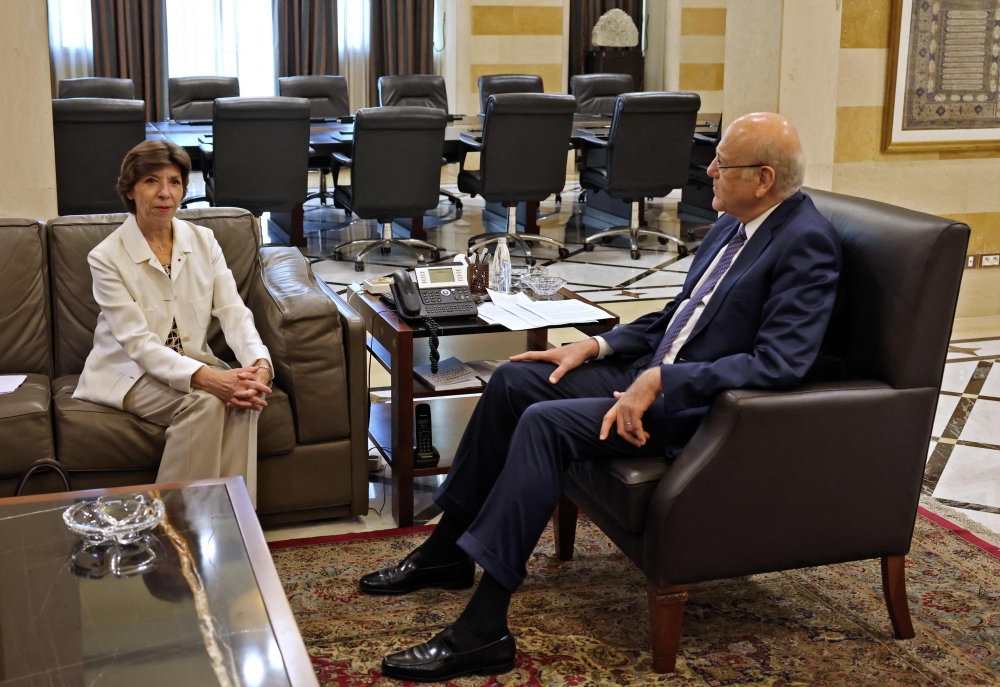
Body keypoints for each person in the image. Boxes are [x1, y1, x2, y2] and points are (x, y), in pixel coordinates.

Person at [361, 112, 843, 682]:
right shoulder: (732, 225)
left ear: (763, 178)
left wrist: (661, 381)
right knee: (515, 380)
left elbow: (780, 363)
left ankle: (484, 628)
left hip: (699, 410)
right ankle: (448, 551)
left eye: (722, 163)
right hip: (649, 375)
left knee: (544, 424)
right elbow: (677, 317)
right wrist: (592, 347)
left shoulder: (806, 244)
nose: (707, 170)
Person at [73, 140, 273, 506]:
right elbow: (138, 345)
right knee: (207, 402)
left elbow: (233, 311)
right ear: (130, 191)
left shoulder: (204, 240)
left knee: (245, 398)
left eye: (175, 182)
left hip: (190, 362)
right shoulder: (105, 257)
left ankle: (235, 523)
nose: (165, 193)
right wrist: (208, 378)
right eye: (151, 181)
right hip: (130, 372)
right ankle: (169, 529)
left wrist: (259, 364)